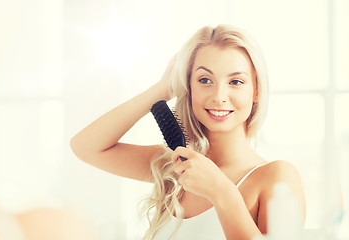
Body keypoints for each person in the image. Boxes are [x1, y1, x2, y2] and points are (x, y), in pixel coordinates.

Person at [70, 24, 306, 240]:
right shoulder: (175, 165)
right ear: (189, 87)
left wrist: (221, 191)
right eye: (205, 80)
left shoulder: (277, 177)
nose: (219, 96)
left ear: (256, 91)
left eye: (235, 82)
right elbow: (86, 147)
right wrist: (162, 89)